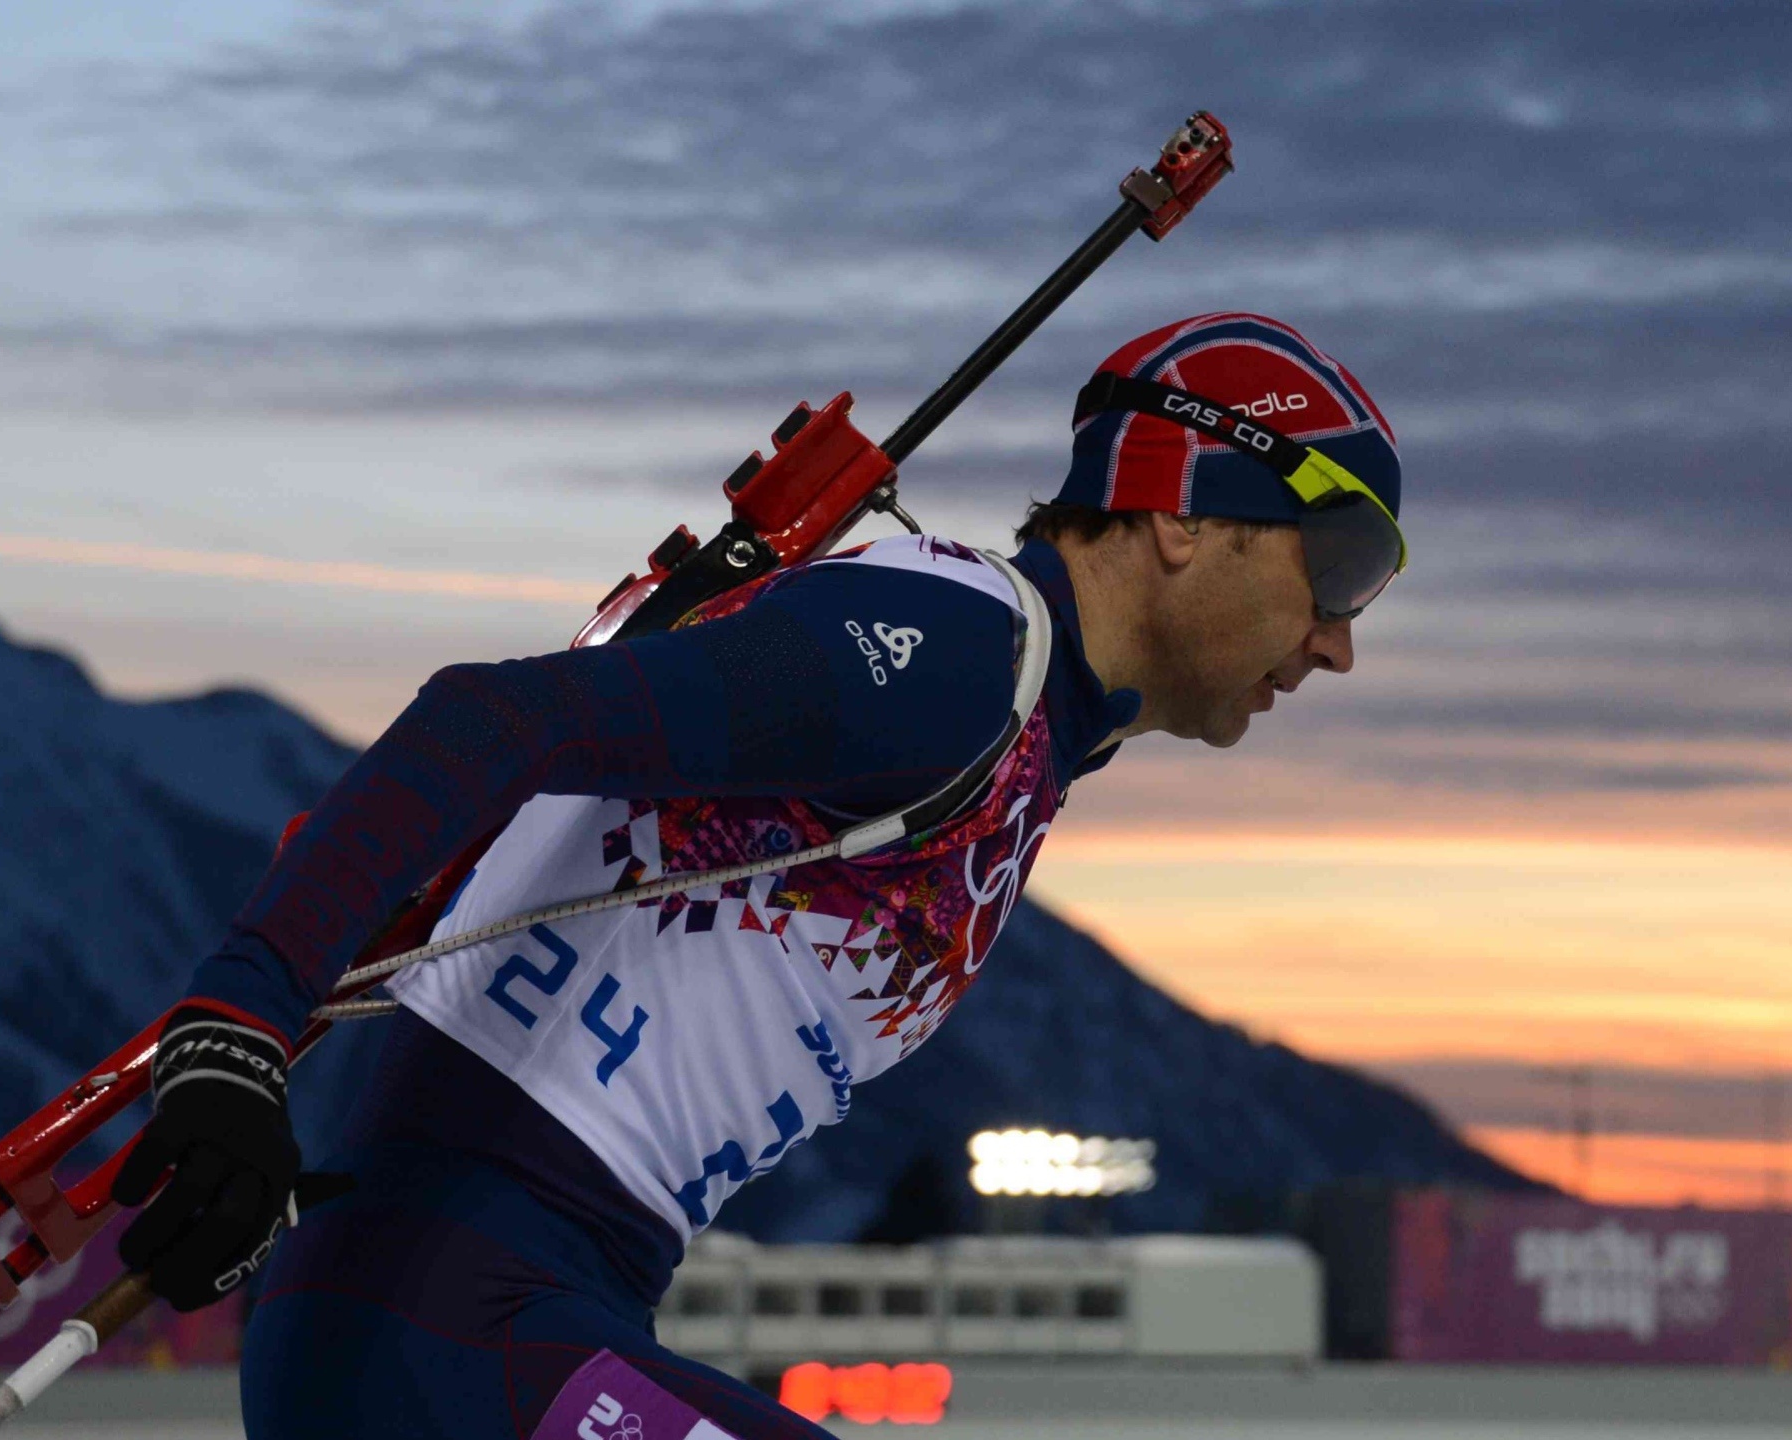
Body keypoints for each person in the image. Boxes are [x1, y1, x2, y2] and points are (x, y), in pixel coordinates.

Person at [110, 312, 1406, 1438]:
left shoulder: (1027, 740)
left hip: (501, 1321)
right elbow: (490, 723)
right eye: (1340, 560)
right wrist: (232, 1037)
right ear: (1181, 515)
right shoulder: (959, 651)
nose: (1342, 642)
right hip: (439, 1320)